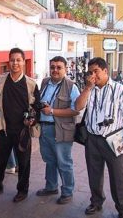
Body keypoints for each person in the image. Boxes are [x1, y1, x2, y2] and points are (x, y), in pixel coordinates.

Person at [75, 57, 123, 218]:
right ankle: (96, 202)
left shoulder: (120, 90)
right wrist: (87, 88)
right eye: (90, 72)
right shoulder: (89, 89)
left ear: (105, 71)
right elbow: (78, 106)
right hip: (92, 139)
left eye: (96, 71)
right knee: (94, 174)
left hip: (113, 139)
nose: (93, 75)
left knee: (117, 176)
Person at [0, 48, 40, 202]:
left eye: (18, 60)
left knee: (24, 163)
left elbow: (37, 107)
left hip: (23, 131)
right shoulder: (0, 81)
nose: (15, 63)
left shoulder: (31, 84)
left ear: (23, 62)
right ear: (8, 62)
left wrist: (32, 120)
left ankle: (22, 191)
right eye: (12, 60)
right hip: (3, 130)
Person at [36, 56, 80, 205]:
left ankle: (67, 192)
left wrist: (53, 111)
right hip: (45, 128)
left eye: (59, 67)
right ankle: (51, 187)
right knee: (49, 161)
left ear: (65, 69)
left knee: (64, 162)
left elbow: (75, 110)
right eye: (53, 67)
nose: (55, 70)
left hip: (61, 130)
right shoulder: (44, 82)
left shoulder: (71, 86)